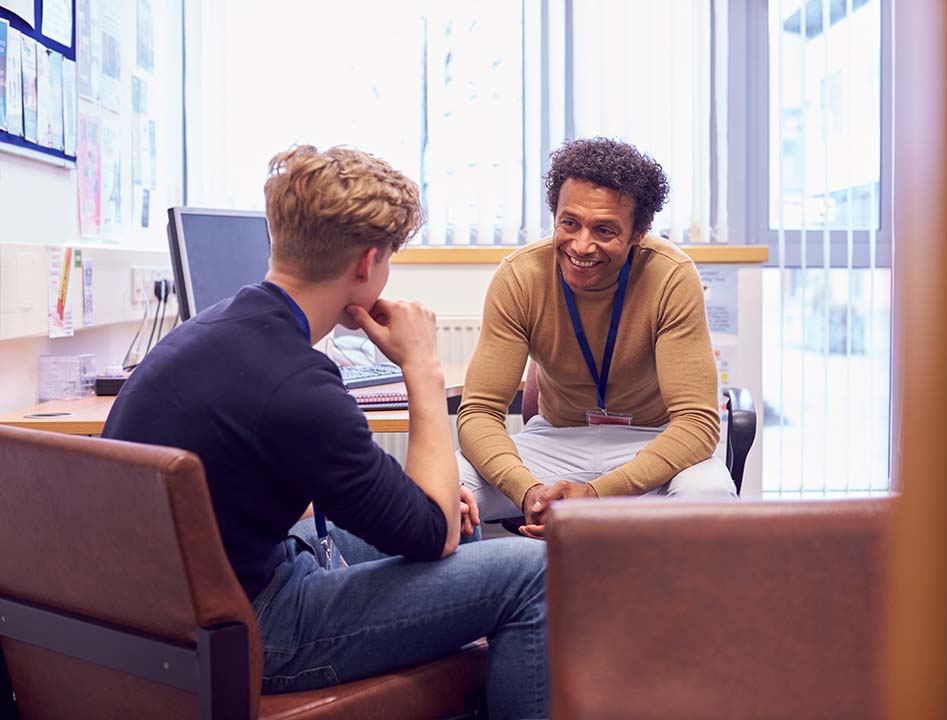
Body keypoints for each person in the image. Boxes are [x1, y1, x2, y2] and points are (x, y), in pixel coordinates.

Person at [102, 145, 548, 719]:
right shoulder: (298, 384)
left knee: (468, 529)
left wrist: (432, 512)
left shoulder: (213, 328)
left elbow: (414, 514)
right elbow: (431, 533)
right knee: (532, 572)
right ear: (367, 264)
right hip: (251, 629)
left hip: (172, 607)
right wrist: (423, 368)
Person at [457, 137, 736, 539]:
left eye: (604, 230)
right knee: (444, 487)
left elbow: (696, 424)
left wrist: (597, 494)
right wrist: (529, 492)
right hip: (556, 442)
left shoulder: (671, 276)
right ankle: (490, 597)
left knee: (710, 498)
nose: (581, 245)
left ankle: (670, 604)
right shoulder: (521, 276)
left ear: (637, 233)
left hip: (651, 441)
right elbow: (479, 412)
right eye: (569, 223)